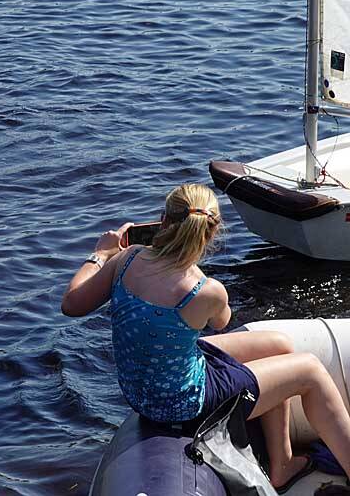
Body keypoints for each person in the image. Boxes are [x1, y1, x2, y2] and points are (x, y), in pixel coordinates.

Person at [61, 183, 350, 492]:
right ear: (210, 233)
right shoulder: (204, 289)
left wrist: (101, 254)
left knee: (279, 345)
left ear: (163, 221)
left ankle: (282, 463)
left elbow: (72, 305)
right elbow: (221, 321)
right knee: (309, 369)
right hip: (184, 403)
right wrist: (191, 266)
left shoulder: (127, 258)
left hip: (141, 392)